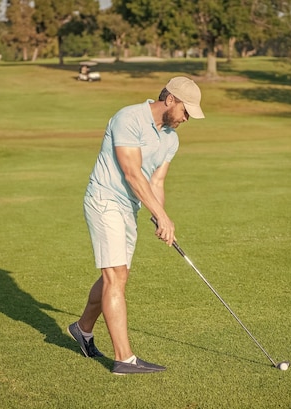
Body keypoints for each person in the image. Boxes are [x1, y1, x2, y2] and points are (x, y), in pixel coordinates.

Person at [68, 76, 205, 375]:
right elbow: (131, 173)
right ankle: (124, 359)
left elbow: (156, 181)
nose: (186, 118)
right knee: (115, 276)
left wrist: (160, 216)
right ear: (170, 100)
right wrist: (162, 215)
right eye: (185, 111)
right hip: (105, 201)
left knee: (116, 277)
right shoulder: (128, 118)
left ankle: (82, 329)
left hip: (129, 207)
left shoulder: (171, 138)